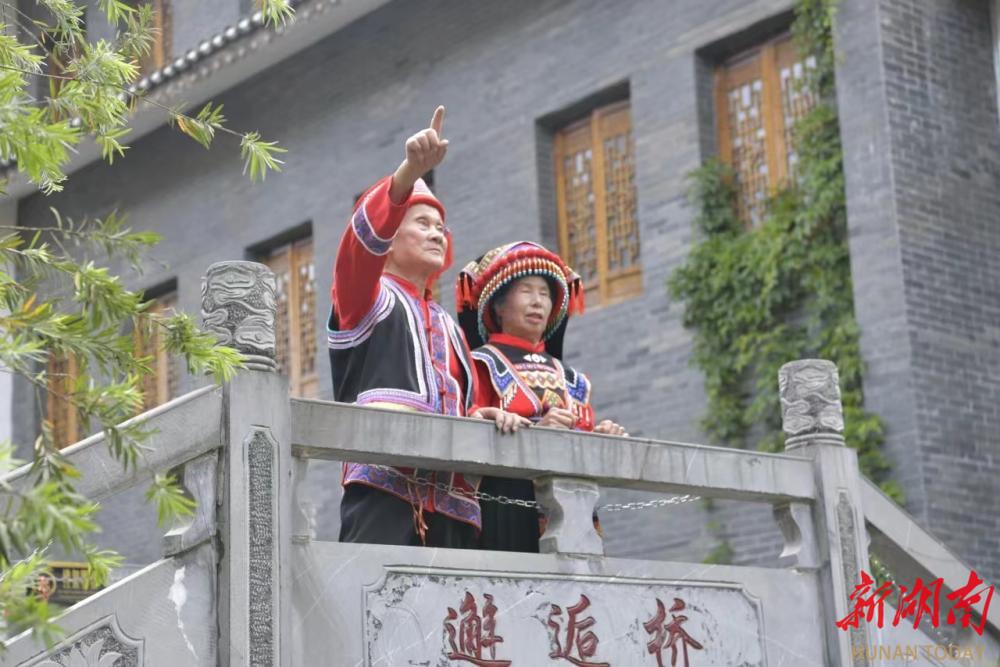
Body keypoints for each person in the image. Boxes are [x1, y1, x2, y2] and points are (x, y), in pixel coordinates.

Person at [330, 107, 527, 548]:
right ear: (388, 236)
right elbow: (356, 250)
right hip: (384, 494)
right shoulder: (367, 299)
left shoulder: (448, 325)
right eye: (422, 224)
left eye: (441, 227)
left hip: (455, 508)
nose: (437, 234)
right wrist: (408, 175)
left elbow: (456, 405)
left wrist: (479, 417)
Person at [456, 241, 627, 552]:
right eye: (526, 291)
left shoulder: (571, 377)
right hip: (506, 503)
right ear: (498, 306)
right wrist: (535, 434)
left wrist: (600, 437)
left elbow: (580, 434)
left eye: (545, 294)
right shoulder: (480, 363)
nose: (537, 302)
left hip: (571, 508)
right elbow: (467, 428)